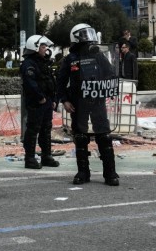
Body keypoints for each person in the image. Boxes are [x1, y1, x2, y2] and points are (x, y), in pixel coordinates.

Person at [57, 23, 119, 185]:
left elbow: (110, 73)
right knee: (80, 137)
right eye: (84, 35)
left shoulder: (98, 56)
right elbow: (61, 82)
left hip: (97, 100)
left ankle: (110, 173)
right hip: (78, 102)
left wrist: (108, 88)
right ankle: (83, 172)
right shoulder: (70, 59)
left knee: (104, 136)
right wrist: (65, 100)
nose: (88, 38)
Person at [20, 34, 58, 170]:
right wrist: (40, 97)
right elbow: (30, 83)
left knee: (46, 129)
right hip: (37, 102)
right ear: (35, 48)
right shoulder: (28, 64)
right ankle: (29, 158)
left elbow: (50, 81)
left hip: (46, 101)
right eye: (43, 46)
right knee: (33, 130)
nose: (46, 49)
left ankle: (46, 156)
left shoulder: (44, 62)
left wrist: (53, 100)